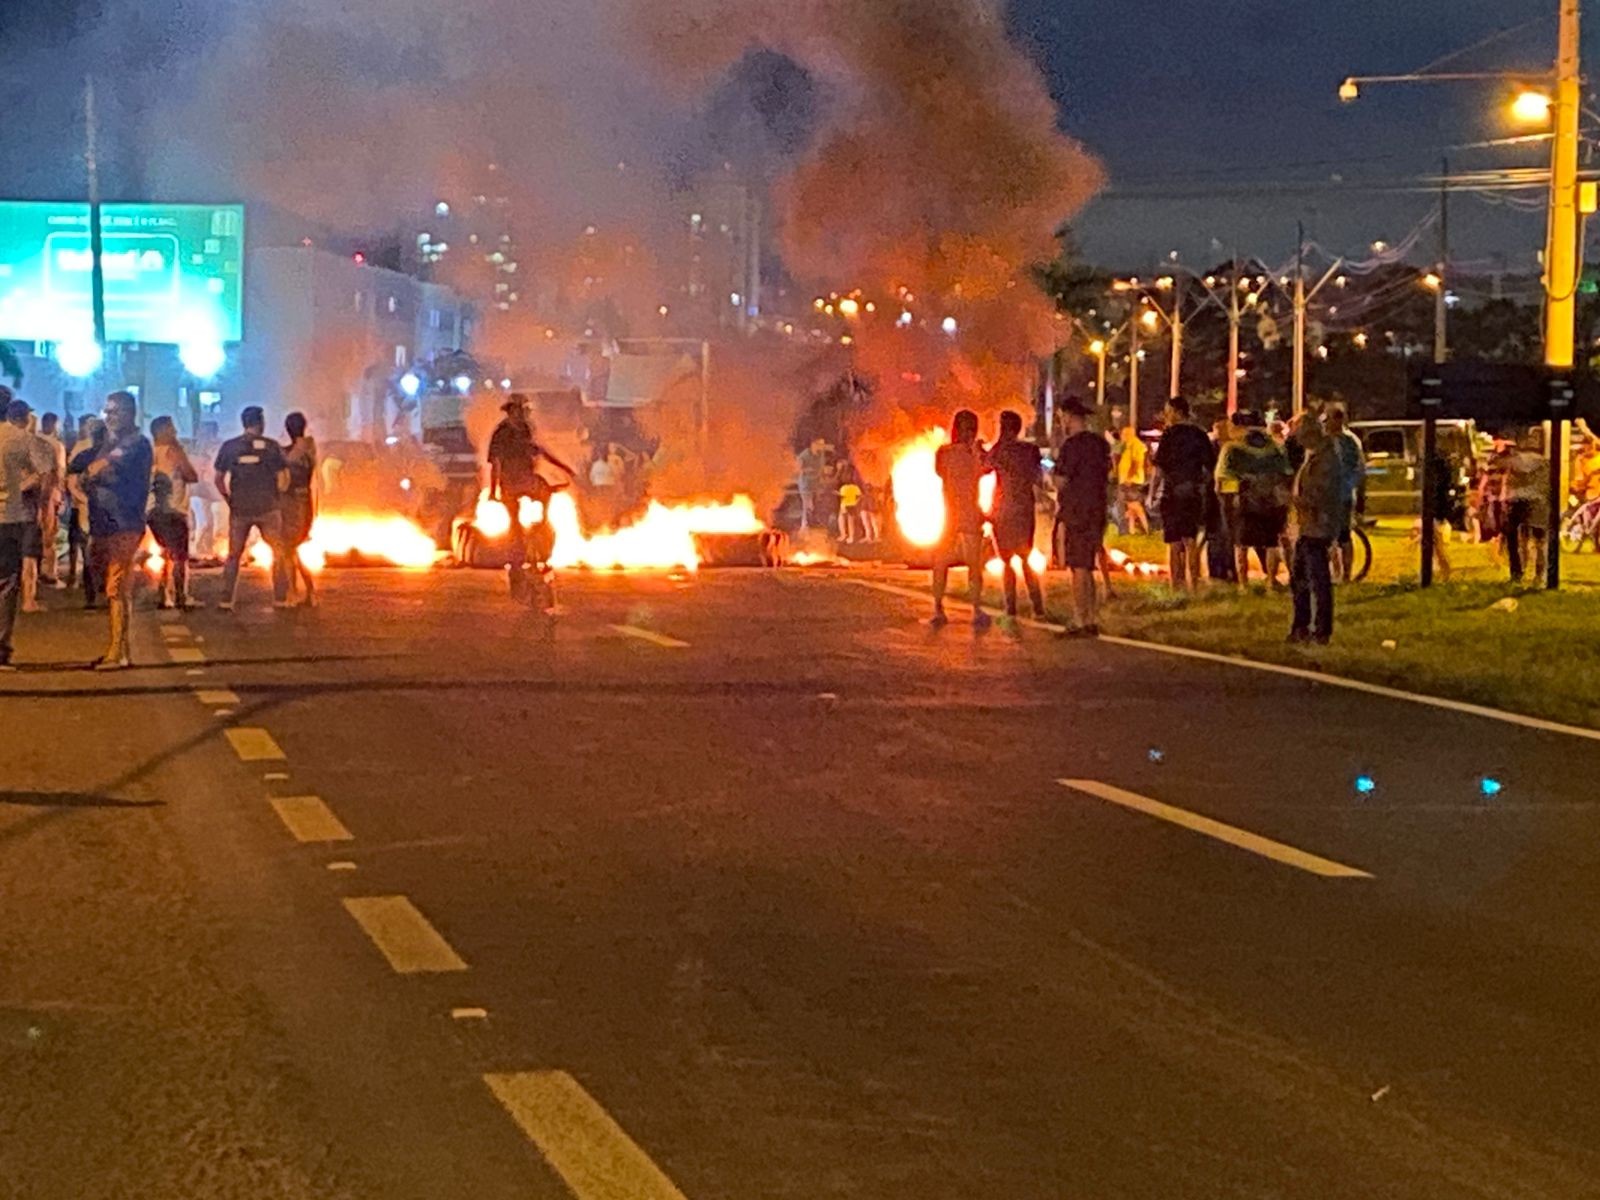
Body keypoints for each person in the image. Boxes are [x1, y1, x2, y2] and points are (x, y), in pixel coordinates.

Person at [70, 391, 152, 669]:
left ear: (130, 413)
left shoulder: (137, 443)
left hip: (125, 522)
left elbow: (104, 465)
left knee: (116, 587)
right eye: (107, 411)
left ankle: (118, 652)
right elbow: (81, 469)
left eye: (114, 411)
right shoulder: (106, 443)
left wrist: (92, 472)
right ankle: (119, 646)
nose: (109, 417)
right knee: (103, 580)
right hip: (100, 523)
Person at [487, 395, 575, 581]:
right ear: (511, 411)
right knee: (514, 523)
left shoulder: (525, 429)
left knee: (544, 491)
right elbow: (496, 462)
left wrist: (563, 468)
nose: (522, 414)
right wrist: (494, 491)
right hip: (510, 482)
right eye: (518, 410)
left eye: (523, 410)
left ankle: (541, 537)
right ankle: (517, 558)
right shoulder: (501, 433)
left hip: (527, 478)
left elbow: (538, 451)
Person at [214, 406, 290, 611]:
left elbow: (218, 478)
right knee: (278, 551)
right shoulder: (272, 447)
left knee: (234, 555)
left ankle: (226, 599)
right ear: (261, 422)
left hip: (240, 509)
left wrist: (229, 499)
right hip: (268, 507)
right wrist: (278, 497)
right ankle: (280, 598)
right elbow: (284, 477)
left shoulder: (230, 447)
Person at [0, 397, 54, 669]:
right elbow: (47, 472)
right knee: (7, 583)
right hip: (10, 518)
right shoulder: (22, 439)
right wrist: (41, 504)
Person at [1052, 397, 1112, 637]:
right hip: (1097, 508)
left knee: (1078, 566)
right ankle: (1091, 618)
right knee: (1088, 564)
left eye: (1061, 417)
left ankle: (1079, 619)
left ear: (1068, 416)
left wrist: (1053, 480)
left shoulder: (1071, 446)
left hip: (1076, 510)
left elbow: (1061, 480)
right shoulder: (1100, 444)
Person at [1216, 410, 1293, 586]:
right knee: (1271, 542)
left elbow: (1222, 476)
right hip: (1271, 500)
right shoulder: (1274, 446)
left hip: (1245, 500)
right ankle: (1271, 581)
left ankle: (1243, 584)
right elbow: (1286, 472)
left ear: (1238, 426)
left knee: (1241, 544)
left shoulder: (1232, 448)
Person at [930, 409, 989, 628]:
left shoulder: (943, 453)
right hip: (969, 513)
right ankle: (975, 609)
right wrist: (976, 452)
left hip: (952, 513)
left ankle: (938, 608)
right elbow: (984, 470)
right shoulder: (973, 453)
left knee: (941, 563)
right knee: (973, 564)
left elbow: (940, 472)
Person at [986, 409, 1046, 619]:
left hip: (1003, 510)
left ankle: (1010, 606)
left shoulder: (998, 450)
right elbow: (1039, 476)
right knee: (1025, 557)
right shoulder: (1030, 450)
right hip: (1024, 509)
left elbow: (983, 468)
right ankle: (1037, 606)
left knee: (1007, 561)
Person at [1287, 417, 1342, 644]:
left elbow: (1319, 495)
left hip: (1318, 526)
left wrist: (1293, 500)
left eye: (1298, 433)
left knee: (1317, 580)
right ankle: (1302, 626)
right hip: (1308, 526)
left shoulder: (1325, 459)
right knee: (1300, 578)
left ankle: (1320, 630)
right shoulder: (1316, 456)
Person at [1150, 397, 1213, 591]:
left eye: (1168, 411)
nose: (1166, 415)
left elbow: (1159, 468)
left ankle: (1175, 585)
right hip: (1192, 491)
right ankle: (1193, 584)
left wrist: (1152, 492)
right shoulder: (1200, 434)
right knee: (1190, 539)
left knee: (1174, 541)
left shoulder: (1169, 434)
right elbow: (1210, 466)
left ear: (1177, 412)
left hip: (1172, 491)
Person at [148, 415, 201, 611]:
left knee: (166, 552)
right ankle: (181, 595)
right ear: (162, 431)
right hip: (174, 510)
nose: (175, 432)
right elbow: (192, 476)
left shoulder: (148, 454)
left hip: (152, 512)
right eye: (171, 429)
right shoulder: (174, 452)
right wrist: (180, 451)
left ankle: (164, 594)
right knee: (179, 556)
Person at [1501, 428, 1549, 584]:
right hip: (1535, 500)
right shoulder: (1545, 462)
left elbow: (1510, 472)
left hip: (1523, 500)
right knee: (1535, 540)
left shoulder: (1519, 459)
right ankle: (1535, 575)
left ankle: (1519, 573)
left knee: (1521, 538)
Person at [1324, 404, 1366, 582]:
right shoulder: (1329, 439)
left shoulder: (1348, 441)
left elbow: (1357, 469)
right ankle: (1335, 573)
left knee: (1343, 535)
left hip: (1341, 494)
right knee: (1329, 536)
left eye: (1330, 419)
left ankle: (1346, 575)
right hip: (1328, 494)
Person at [65, 416, 104, 606]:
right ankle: (99, 591)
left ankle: (92, 595)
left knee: (90, 551)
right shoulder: (106, 457)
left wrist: (82, 500)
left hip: (87, 511)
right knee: (99, 551)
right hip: (96, 511)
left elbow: (71, 484)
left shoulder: (83, 456)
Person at [282, 412, 318, 606]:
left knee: (289, 550)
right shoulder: (306, 447)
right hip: (301, 503)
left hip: (296, 504)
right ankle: (308, 592)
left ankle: (293, 592)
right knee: (291, 550)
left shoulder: (303, 448)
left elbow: (288, 460)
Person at [36, 411, 66, 588]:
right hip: (49, 495)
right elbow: (60, 473)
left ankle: (34, 571)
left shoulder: (31, 441)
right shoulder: (56, 446)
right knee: (50, 535)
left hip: (29, 494)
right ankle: (50, 572)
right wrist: (60, 495)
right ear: (54, 425)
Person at [1114, 425, 1149, 535]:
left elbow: (1135, 463)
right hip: (1130, 480)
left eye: (1124, 434)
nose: (1122, 436)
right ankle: (1132, 531)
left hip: (1130, 481)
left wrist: (1129, 477)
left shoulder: (1134, 445)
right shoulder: (1131, 445)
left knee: (1134, 506)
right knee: (1131, 509)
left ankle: (1144, 529)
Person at [796, 437, 832, 532]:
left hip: (816, 483)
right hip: (806, 483)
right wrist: (808, 470)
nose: (822, 447)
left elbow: (821, 467)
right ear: (813, 444)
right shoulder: (805, 455)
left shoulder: (820, 455)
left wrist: (824, 474)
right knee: (808, 504)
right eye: (820, 444)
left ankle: (813, 523)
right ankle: (804, 526)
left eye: (823, 445)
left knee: (816, 504)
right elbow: (798, 468)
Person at [836, 463, 865, 545]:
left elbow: (842, 497)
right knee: (851, 521)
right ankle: (851, 537)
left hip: (844, 505)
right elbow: (860, 496)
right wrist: (856, 502)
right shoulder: (855, 488)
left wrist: (837, 494)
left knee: (841, 519)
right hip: (853, 505)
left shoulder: (843, 488)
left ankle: (843, 534)